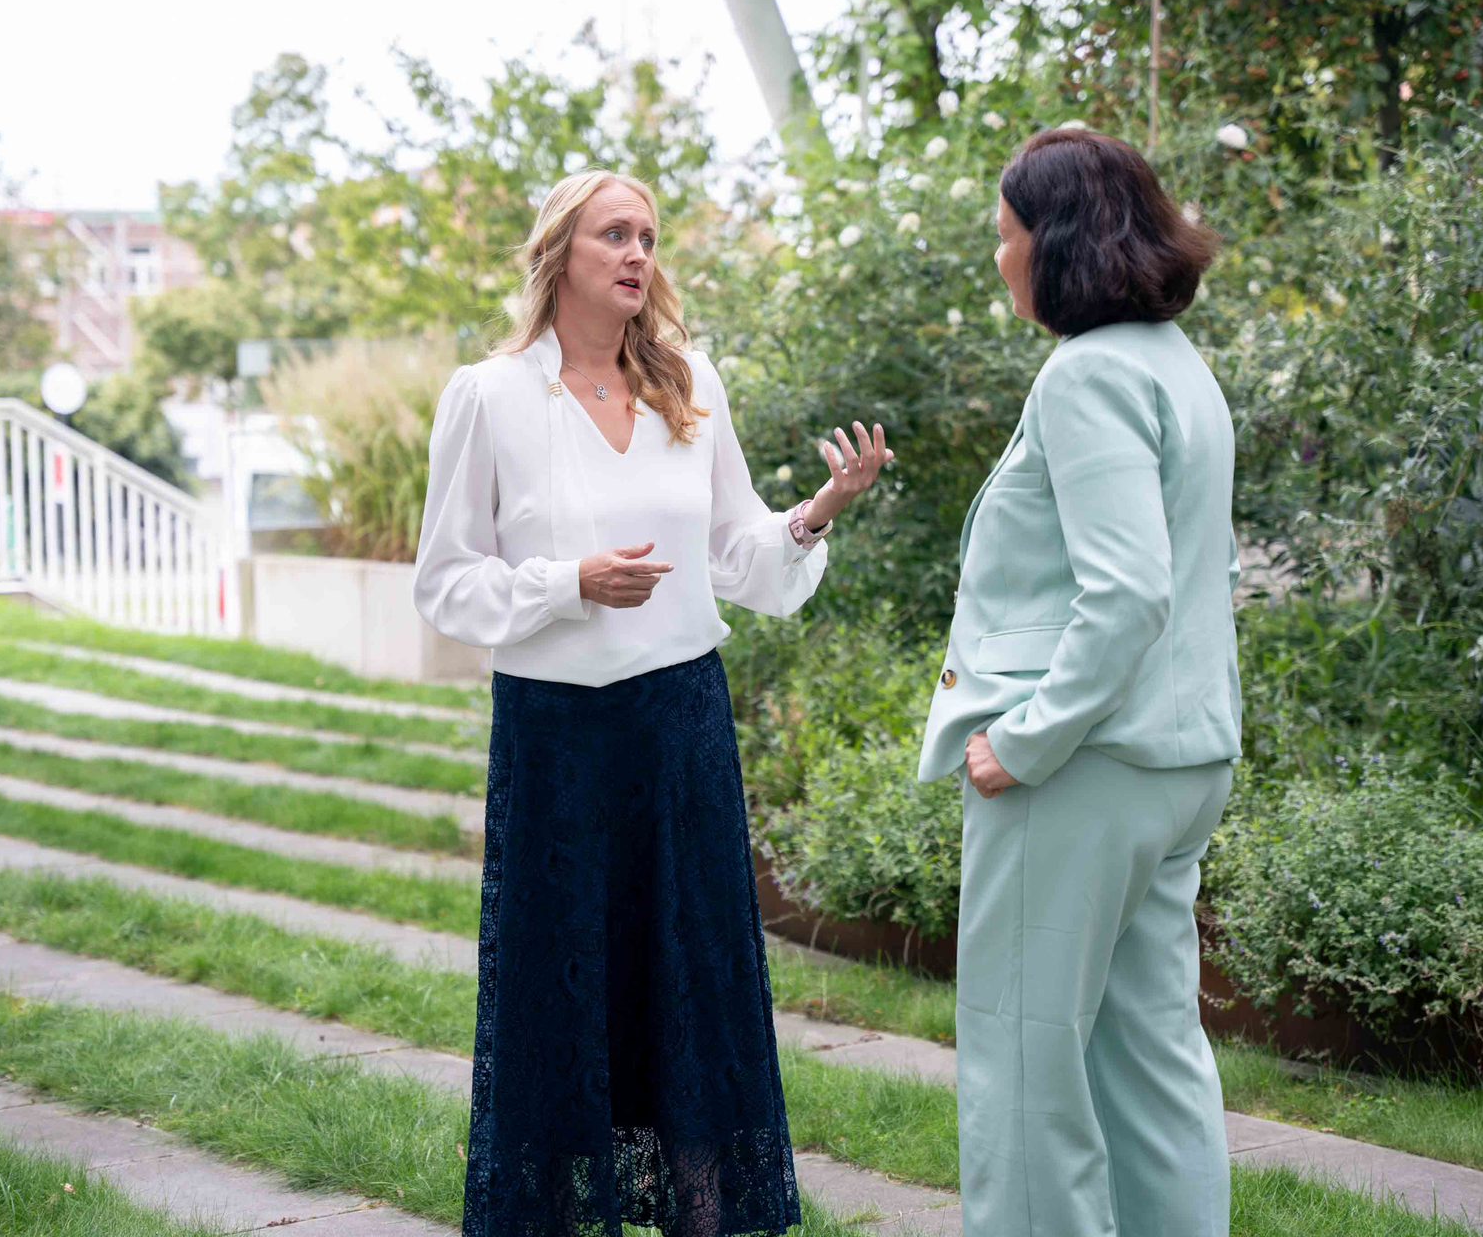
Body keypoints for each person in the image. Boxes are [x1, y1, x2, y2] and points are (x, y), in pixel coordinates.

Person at [414, 169, 893, 1237]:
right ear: (560, 253)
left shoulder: (690, 383)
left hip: (681, 729)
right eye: (614, 234)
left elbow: (738, 553)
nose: (637, 253)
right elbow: (444, 585)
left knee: (691, 982)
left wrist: (817, 511)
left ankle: (704, 1215)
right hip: (558, 737)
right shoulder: (489, 397)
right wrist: (568, 583)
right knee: (560, 990)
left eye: (647, 236)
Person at [918, 127, 1242, 1236]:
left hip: (1082, 772)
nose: (998, 255)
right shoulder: (1176, 363)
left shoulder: (1088, 374)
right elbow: (1182, 578)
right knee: (1153, 1059)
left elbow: (1129, 593)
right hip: (1180, 761)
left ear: (1054, 242)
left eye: (1004, 233)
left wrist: (1025, 740)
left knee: (1023, 1064)